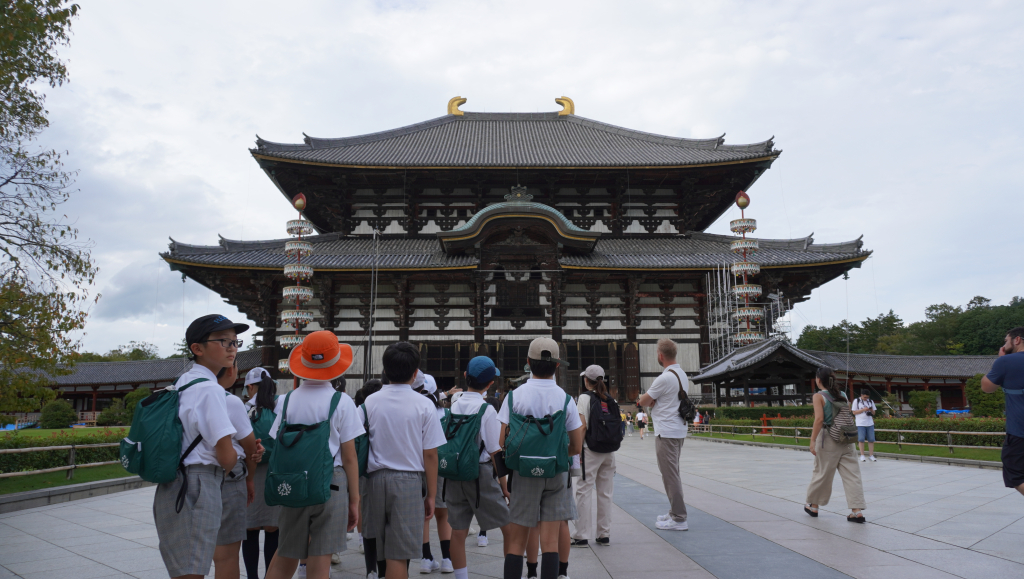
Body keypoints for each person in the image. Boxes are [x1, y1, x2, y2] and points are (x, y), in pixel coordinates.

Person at [263, 331, 363, 579]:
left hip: (293, 481)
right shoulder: (340, 401)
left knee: (286, 552)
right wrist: (355, 499)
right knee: (321, 556)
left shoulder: (287, 401)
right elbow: (350, 456)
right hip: (331, 483)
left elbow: (277, 442)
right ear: (336, 364)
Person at [153, 314, 246, 579]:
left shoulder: (184, 382)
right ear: (197, 348)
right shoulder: (210, 390)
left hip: (175, 482)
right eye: (223, 341)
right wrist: (238, 457)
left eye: (235, 342)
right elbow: (226, 456)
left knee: (185, 568)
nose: (232, 348)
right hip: (199, 485)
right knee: (193, 569)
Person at [498, 337, 584, 579]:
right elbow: (576, 446)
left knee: (516, 541)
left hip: (523, 473)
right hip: (556, 474)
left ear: (528, 362)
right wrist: (553, 455)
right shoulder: (566, 399)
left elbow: (501, 442)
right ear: (557, 365)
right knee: (550, 543)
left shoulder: (514, 397)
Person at [364, 343, 447, 579]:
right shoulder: (424, 405)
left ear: (386, 370)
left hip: (375, 479)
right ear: (414, 373)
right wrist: (431, 494)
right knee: (399, 553)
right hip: (409, 482)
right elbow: (430, 454)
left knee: (380, 549)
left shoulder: (370, 402)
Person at [446, 356, 511, 579]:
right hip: (480, 474)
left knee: (458, 531)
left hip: (454, 472)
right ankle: (512, 573)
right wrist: (504, 486)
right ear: (491, 383)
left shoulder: (454, 403)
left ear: (465, 376)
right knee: (508, 527)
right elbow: (495, 451)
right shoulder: (486, 410)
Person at [637, 338, 689, 531]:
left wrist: (649, 401)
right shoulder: (681, 374)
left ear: (660, 355)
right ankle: (674, 511)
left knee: (670, 475)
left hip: (666, 431)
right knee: (672, 472)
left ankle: (679, 517)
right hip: (677, 429)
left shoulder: (664, 378)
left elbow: (643, 400)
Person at [214, 363, 261, 579]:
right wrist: (250, 479)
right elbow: (251, 448)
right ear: (232, 371)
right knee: (226, 554)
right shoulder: (230, 401)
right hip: (228, 479)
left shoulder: (180, 393)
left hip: (186, 479)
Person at [804, 367, 866, 522]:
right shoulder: (843, 394)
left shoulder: (818, 396)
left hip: (828, 438)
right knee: (852, 474)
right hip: (846, 438)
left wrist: (812, 440)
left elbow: (819, 420)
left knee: (822, 472)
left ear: (818, 380)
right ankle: (857, 511)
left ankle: (814, 506)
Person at [571, 365, 618, 547]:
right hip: (609, 451)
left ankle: (582, 534)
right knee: (605, 492)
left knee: (583, 490)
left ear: (586, 380)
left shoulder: (584, 397)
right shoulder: (609, 399)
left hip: (590, 450)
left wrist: (576, 449)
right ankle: (603, 534)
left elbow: (582, 426)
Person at [242, 368, 283, 579]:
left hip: (251, 472)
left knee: (249, 529)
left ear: (250, 387)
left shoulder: (245, 408)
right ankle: (270, 575)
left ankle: (252, 577)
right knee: (272, 528)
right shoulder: (281, 404)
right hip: (274, 474)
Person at [415, 371, 454, 574]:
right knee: (443, 513)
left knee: (424, 514)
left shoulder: (414, 410)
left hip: (417, 466)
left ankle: (425, 557)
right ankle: (447, 558)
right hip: (442, 466)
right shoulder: (445, 414)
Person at [981, 327, 1024, 497]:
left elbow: (987, 387)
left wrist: (1000, 361)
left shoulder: (1006, 362)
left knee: (1015, 474)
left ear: (1017, 340)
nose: (1004, 344)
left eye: (1006, 341)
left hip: (1019, 432)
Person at [355, 379, 384, 579]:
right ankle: (382, 570)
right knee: (387, 524)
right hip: (387, 470)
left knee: (369, 524)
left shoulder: (362, 410)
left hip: (366, 471)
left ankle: (370, 570)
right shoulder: (386, 410)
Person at [852, 389, 877, 462]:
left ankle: (871, 455)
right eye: (865, 397)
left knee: (871, 440)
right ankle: (862, 455)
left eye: (867, 397)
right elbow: (854, 412)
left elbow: (874, 413)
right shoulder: (856, 401)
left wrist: (871, 410)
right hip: (860, 423)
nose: (866, 399)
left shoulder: (871, 401)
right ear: (861, 395)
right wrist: (863, 410)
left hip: (870, 423)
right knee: (861, 439)